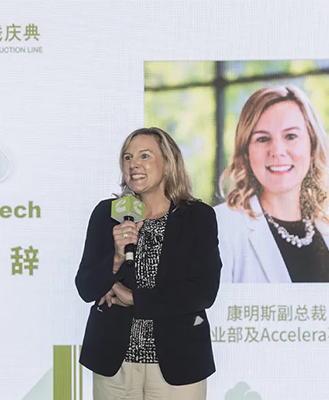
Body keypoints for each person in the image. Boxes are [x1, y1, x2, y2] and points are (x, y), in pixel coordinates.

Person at [75, 127, 222, 399]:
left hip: (178, 362)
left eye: (144, 156)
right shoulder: (107, 214)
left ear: (168, 162)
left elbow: (203, 291)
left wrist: (134, 298)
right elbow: (85, 287)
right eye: (127, 157)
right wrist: (116, 259)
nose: (133, 165)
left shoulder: (197, 217)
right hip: (114, 362)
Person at [215, 85, 329, 283]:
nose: (277, 151)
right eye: (262, 139)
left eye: (291, 136)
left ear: (312, 144)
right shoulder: (220, 227)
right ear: (246, 151)